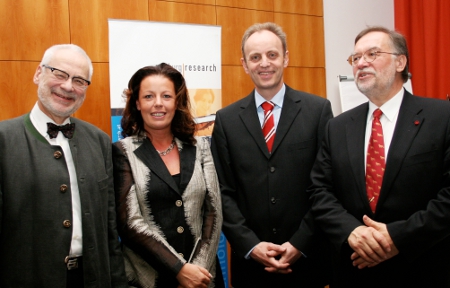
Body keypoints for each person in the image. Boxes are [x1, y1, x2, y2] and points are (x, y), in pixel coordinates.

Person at [307, 26, 450, 287]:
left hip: (423, 267)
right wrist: (352, 232)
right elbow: (320, 191)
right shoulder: (337, 127)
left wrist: (398, 237)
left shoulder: (442, 117)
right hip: (354, 269)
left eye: (372, 54)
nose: (361, 63)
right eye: (355, 58)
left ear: (400, 62)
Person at [211, 22, 333, 287]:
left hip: (308, 261)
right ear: (244, 64)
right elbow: (222, 192)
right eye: (255, 57)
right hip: (251, 268)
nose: (264, 63)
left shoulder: (318, 111)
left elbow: (327, 185)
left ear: (286, 58)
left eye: (272, 55)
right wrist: (251, 245)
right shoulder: (226, 120)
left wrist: (300, 242)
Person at [0, 44, 127, 287]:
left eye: (79, 80)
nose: (68, 86)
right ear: (39, 73)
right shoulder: (4, 140)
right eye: (59, 74)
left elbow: (110, 230)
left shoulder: (100, 141)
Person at [112, 63, 223, 288]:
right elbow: (130, 223)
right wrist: (179, 270)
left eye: (166, 96)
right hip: (149, 278)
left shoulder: (200, 147)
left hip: (203, 279)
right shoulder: (123, 152)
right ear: (137, 103)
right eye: (149, 96)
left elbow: (213, 212)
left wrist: (196, 273)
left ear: (176, 102)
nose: (158, 103)